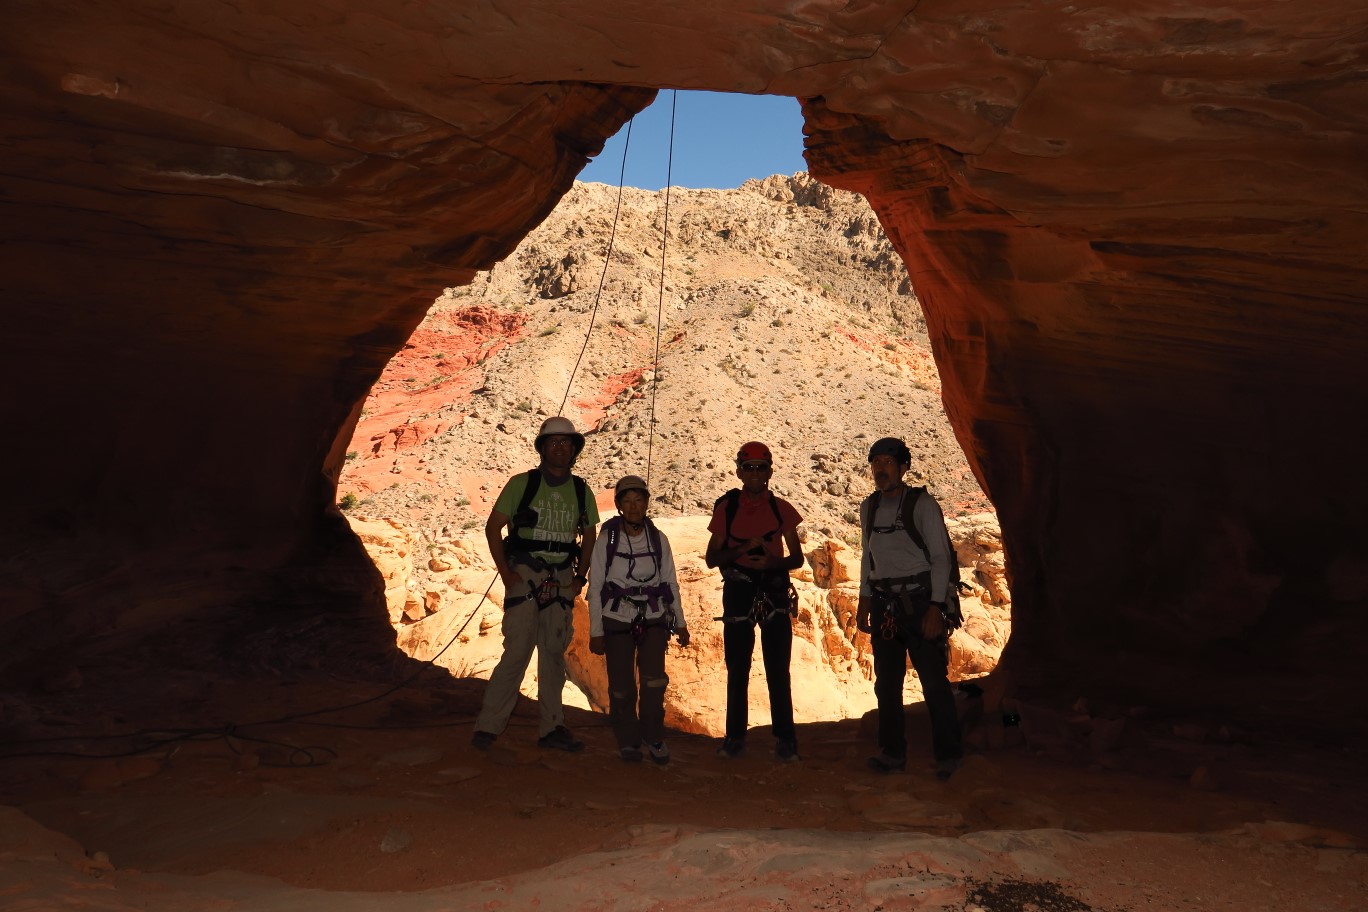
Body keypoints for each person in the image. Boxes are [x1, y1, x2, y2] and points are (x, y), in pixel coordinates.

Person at [471, 416, 599, 753]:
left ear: (574, 450)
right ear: (542, 448)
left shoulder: (581, 491)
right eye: (552, 441)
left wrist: (579, 578)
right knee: (516, 652)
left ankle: (551, 728)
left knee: (554, 656)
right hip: (525, 576)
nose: (559, 446)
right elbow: (492, 528)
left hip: (560, 579)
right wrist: (507, 574)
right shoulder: (521, 484)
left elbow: (589, 536)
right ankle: (488, 726)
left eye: (565, 442)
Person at [855, 436, 963, 780]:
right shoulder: (868, 507)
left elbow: (941, 557)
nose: (881, 470)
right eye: (876, 463)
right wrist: (864, 599)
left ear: (904, 468)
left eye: (888, 463)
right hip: (885, 604)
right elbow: (867, 556)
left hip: (919, 603)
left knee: (933, 681)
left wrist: (936, 607)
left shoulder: (923, 505)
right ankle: (891, 753)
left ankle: (948, 755)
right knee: (887, 684)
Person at [704, 441, 804, 761]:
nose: (756, 473)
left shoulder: (782, 509)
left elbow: (797, 558)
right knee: (738, 666)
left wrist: (772, 564)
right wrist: (744, 549)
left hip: (773, 588)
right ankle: (735, 736)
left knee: (778, 668)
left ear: (770, 472)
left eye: (761, 468)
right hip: (740, 589)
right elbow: (711, 557)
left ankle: (785, 739)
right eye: (750, 468)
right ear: (739, 472)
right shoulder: (727, 509)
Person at [588, 475, 690, 764]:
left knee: (654, 682)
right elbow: (595, 585)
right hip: (616, 618)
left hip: (654, 617)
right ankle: (628, 741)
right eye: (627, 501)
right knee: (621, 686)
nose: (633, 507)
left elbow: (670, 582)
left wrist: (680, 622)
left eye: (638, 500)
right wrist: (596, 631)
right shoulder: (607, 539)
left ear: (646, 503)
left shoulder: (658, 539)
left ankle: (654, 736)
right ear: (619, 505)